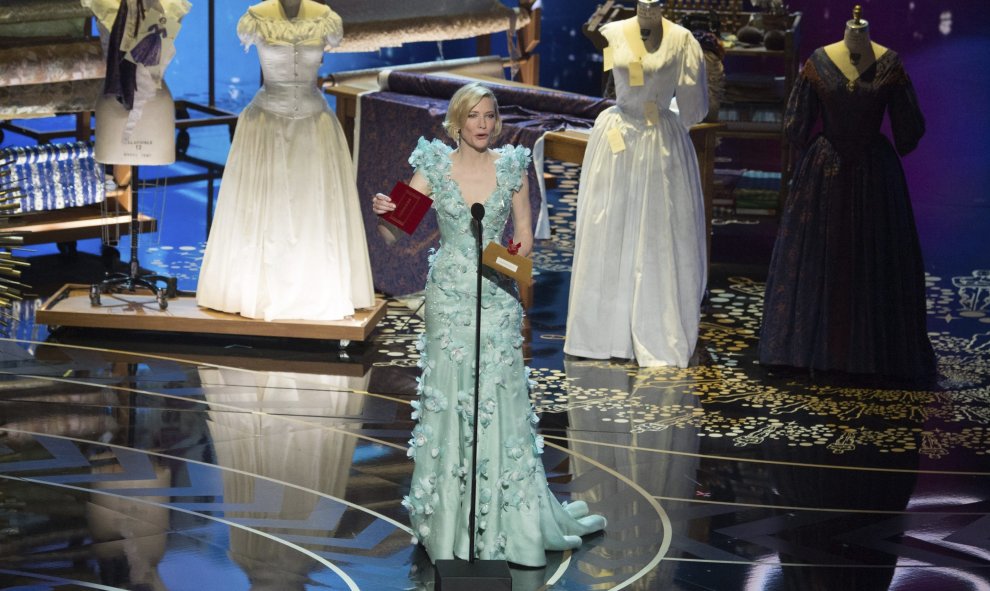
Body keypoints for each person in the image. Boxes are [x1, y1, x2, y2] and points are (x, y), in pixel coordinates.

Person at [372, 82, 606, 567]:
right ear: (456, 122)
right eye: (474, 115)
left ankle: (508, 523)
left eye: (490, 115)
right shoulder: (432, 166)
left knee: (497, 404)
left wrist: (497, 259)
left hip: (495, 302)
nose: (483, 124)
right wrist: (385, 214)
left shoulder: (514, 168)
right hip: (449, 304)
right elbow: (394, 235)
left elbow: (524, 254)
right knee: (450, 400)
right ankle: (449, 524)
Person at [759, 7, 936, 383]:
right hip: (831, 173)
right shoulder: (820, 61)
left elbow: (797, 127)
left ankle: (867, 350)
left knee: (869, 255)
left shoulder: (889, 63)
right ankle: (804, 348)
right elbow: (797, 125)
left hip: (868, 176)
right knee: (824, 257)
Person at [196, 0, 374, 321]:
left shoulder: (325, 19)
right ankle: (256, 289)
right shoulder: (255, 18)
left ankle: (315, 287)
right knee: (264, 206)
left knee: (313, 206)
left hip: (314, 124)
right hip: (266, 123)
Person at [564, 0, 709, 367]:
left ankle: (655, 328)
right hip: (616, 140)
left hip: (660, 142)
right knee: (609, 228)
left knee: (659, 233)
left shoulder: (682, 40)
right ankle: (602, 333)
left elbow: (693, 106)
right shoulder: (612, 32)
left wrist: (667, 115)